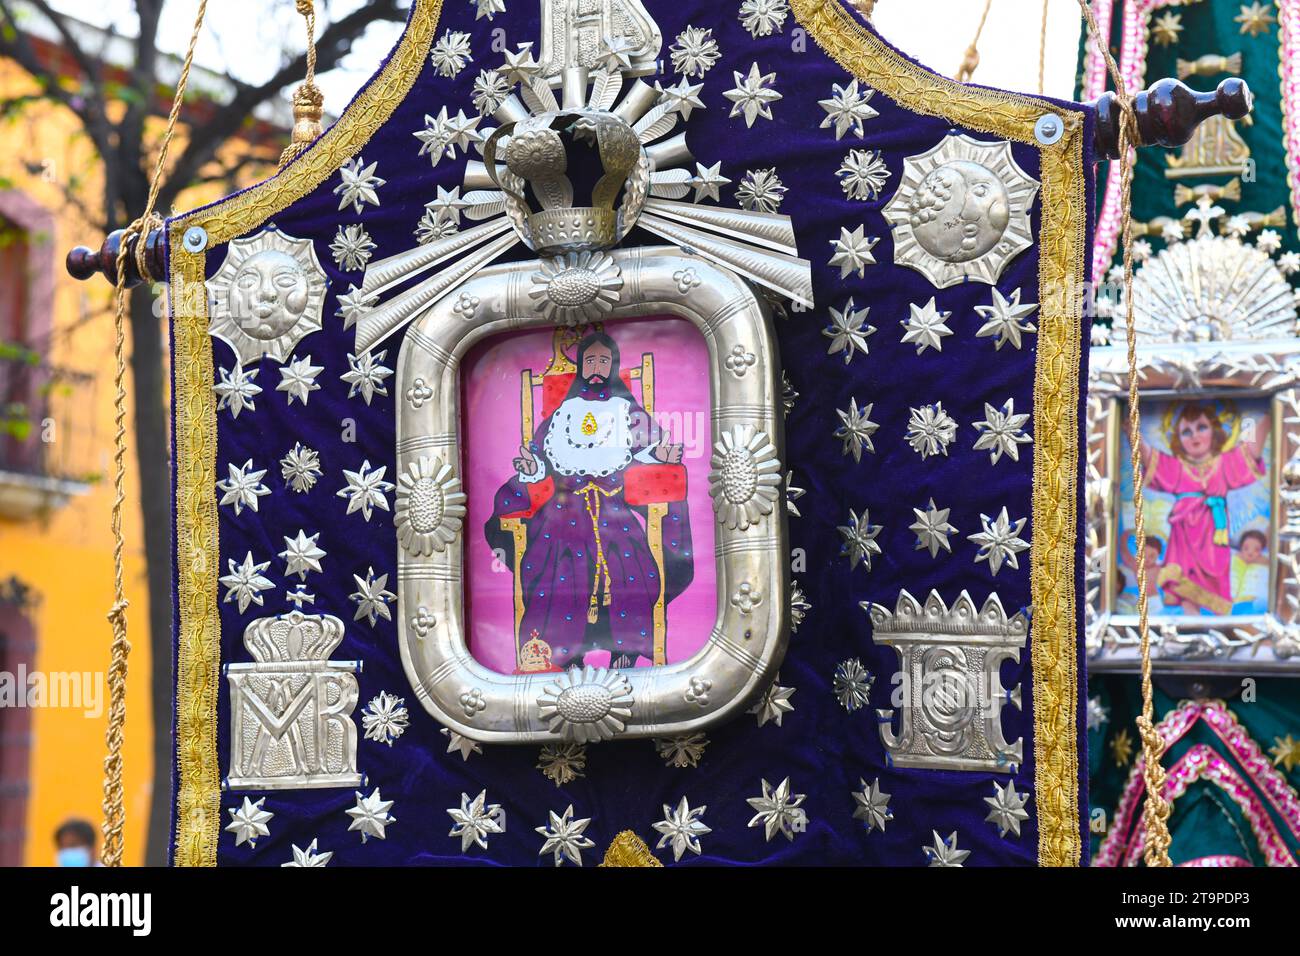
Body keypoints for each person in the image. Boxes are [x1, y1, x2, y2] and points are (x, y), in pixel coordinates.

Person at [486, 332, 694, 670]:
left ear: (612, 367)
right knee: (553, 571)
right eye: (590, 361)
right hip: (562, 512)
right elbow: (540, 459)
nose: (596, 368)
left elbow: (650, 450)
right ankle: (564, 654)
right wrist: (532, 468)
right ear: (582, 366)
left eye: (604, 361)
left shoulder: (628, 412)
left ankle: (625, 651)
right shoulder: (560, 415)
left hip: (615, 510)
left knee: (633, 572)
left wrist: (662, 454)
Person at [1139, 402, 1268, 615]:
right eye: (1186, 431)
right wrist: (1133, 433)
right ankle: (1192, 621)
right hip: (1184, 538)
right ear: (1178, 439)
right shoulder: (1177, 467)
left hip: (1214, 535)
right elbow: (1149, 457)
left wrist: (1265, 418)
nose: (1194, 436)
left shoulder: (1225, 462)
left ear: (1215, 432)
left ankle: (1219, 627)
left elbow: (1250, 450)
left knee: (1217, 581)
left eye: (1201, 427)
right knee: (1184, 588)